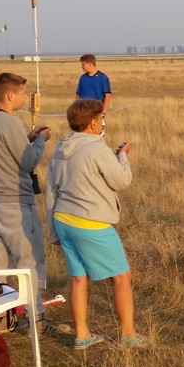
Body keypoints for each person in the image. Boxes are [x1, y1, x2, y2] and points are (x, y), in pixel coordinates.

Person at [48, 97, 137, 349]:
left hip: (63, 220)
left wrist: (52, 231)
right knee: (122, 276)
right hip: (91, 222)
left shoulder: (60, 150)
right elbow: (121, 181)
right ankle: (129, 334)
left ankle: (82, 335)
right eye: (101, 119)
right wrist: (122, 157)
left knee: (79, 278)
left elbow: (51, 192)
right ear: (93, 123)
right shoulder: (97, 148)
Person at [0, 72, 51, 306]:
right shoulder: (10, 122)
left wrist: (27, 138)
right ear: (10, 95)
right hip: (15, 202)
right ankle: (35, 314)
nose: (25, 97)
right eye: (23, 93)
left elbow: (4, 150)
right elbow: (28, 161)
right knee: (30, 259)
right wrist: (41, 140)